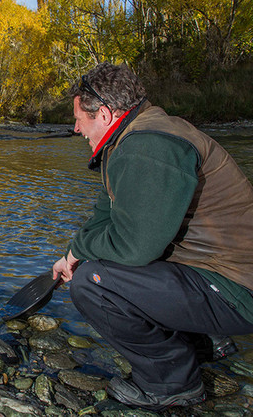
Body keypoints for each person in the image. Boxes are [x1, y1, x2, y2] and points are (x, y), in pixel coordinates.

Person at [52, 62, 253, 411]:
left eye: (79, 120)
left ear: (102, 113)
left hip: (238, 290)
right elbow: (106, 214)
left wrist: (82, 259)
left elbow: (135, 246)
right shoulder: (135, 135)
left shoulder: (148, 145)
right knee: (97, 262)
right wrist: (72, 252)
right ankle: (202, 341)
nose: (75, 128)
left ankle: (173, 382)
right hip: (218, 274)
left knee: (93, 282)